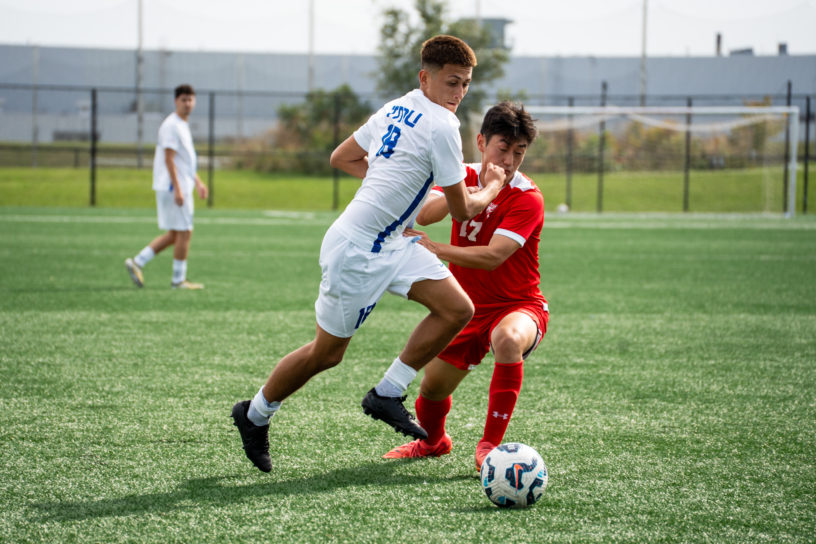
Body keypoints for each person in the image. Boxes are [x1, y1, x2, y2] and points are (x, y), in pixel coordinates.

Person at [230, 35, 507, 473]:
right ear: (425, 77)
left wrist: (388, 185)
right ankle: (255, 413)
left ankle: (388, 393)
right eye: (452, 82)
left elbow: (342, 157)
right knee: (327, 354)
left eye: (466, 84)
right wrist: (492, 186)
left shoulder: (396, 107)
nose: (459, 93)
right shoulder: (443, 126)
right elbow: (459, 208)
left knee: (457, 309)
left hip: (393, 240)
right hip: (358, 250)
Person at [383, 102, 548, 471]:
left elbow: (493, 256)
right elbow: (426, 213)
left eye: (518, 153)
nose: (508, 161)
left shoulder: (527, 198)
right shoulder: (462, 175)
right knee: (431, 389)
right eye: (502, 149)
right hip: (466, 309)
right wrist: (459, 190)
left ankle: (491, 446)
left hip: (518, 305)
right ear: (481, 142)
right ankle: (433, 442)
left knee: (506, 340)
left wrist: (435, 247)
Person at [125, 84, 208, 290]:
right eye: (183, 100)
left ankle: (138, 262)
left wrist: (198, 182)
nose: (187, 104)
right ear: (176, 101)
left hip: (179, 185)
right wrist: (178, 188)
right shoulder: (171, 125)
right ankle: (178, 280)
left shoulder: (181, 125)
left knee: (174, 234)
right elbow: (169, 159)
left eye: (190, 100)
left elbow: (183, 162)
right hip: (173, 188)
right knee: (185, 232)